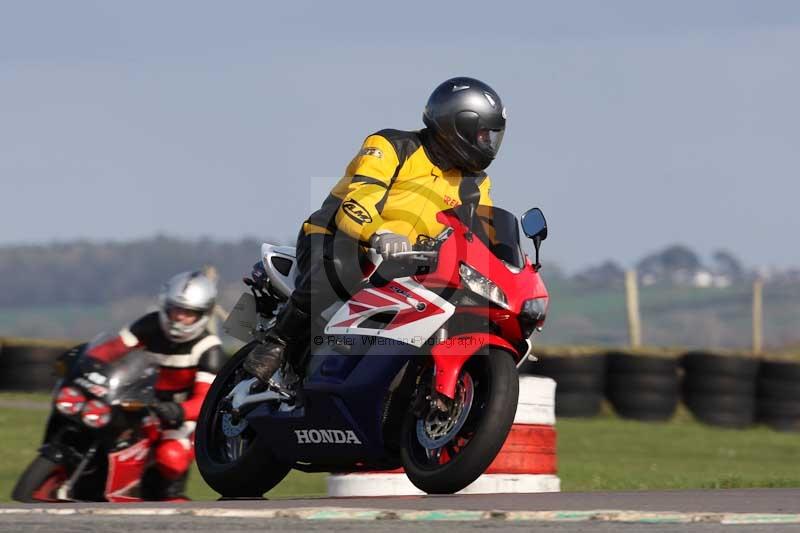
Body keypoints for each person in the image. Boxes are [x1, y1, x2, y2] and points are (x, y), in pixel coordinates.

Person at [244, 76, 507, 386]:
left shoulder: (475, 183)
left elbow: (480, 234)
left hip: (408, 264)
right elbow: (358, 202)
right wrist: (378, 234)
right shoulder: (392, 146)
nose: (487, 144)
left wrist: (505, 262)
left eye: (490, 137)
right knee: (341, 266)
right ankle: (277, 342)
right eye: (482, 135)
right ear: (456, 126)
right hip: (336, 238)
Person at [85, 270, 225, 500]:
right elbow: (112, 349)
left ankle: (169, 495)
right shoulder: (149, 325)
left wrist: (178, 410)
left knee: (171, 456)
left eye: (188, 313)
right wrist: (88, 363)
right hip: (135, 401)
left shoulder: (209, 349)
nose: (179, 317)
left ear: (203, 314)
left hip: (180, 417)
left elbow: (205, 401)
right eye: (176, 309)